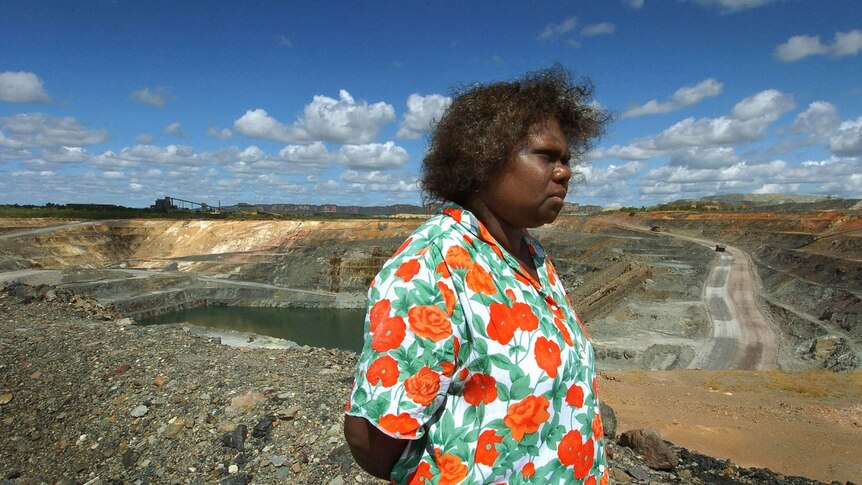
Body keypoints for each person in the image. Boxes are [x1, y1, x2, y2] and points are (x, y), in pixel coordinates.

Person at [344, 65, 611, 484]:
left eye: (566, 159)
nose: (564, 172)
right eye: (547, 156)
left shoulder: (530, 254)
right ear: (483, 158)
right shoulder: (433, 266)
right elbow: (372, 440)